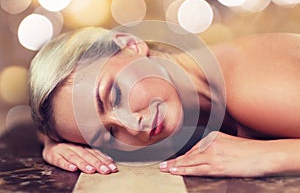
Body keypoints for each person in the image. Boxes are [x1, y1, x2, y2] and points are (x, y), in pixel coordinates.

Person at [29, 26, 300, 177]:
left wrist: (267, 156)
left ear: (131, 45)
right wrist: (54, 140)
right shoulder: (201, 96)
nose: (133, 127)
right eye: (111, 134)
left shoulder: (245, 83)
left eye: (116, 96)